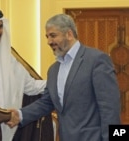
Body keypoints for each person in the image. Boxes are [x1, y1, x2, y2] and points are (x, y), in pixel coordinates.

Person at [7, 13, 121, 141]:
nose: (49, 41)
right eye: (47, 37)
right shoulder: (53, 70)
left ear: (69, 34)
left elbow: (110, 108)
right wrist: (20, 115)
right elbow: (47, 102)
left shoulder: (96, 60)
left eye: (53, 36)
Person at [0, 8, 53, 141]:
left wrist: (60, 81)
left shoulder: (9, 58)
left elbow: (31, 86)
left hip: (8, 132)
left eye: (0, 27)